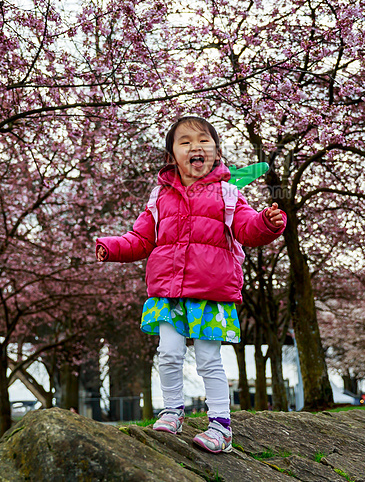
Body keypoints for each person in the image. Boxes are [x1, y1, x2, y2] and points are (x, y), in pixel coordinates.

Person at [96, 116, 287, 454]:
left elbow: (247, 228)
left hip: (210, 294)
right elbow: (140, 238)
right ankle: (172, 411)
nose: (195, 146)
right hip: (168, 292)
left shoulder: (228, 194)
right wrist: (112, 246)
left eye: (203, 140)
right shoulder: (159, 198)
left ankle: (221, 426)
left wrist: (267, 223)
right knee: (168, 353)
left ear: (216, 152)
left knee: (208, 361)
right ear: (172, 156)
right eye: (184, 142)